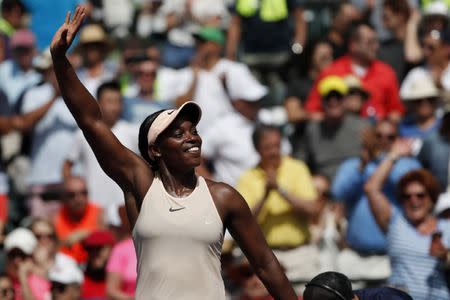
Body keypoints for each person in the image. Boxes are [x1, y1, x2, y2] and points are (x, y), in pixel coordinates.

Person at [49, 6, 297, 300]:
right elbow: (91, 120)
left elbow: (265, 264)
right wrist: (60, 60)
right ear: (155, 150)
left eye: (193, 130)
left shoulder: (223, 197)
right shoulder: (141, 185)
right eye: (178, 134)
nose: (192, 137)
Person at [332, 120, 421, 283]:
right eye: (378, 136)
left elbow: (408, 184)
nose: (383, 141)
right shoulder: (354, 164)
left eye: (390, 137)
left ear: (398, 139)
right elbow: (338, 192)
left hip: (390, 258)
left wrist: (386, 158)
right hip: (355, 258)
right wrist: (363, 164)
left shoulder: (408, 164)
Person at [237, 125, 321, 283]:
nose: (274, 152)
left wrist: (281, 190)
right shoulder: (247, 177)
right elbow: (243, 221)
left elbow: (312, 209)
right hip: (266, 257)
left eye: (277, 145)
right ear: (257, 149)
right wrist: (265, 195)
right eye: (268, 147)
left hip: (300, 254)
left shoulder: (297, 168)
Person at [365, 145, 450, 299]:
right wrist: (393, 155)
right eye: (407, 196)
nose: (414, 200)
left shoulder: (447, 227)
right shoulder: (395, 222)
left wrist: (445, 257)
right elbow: (372, 188)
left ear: (431, 198)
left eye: (420, 195)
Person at [63, 81, 139, 226]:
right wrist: (74, 193)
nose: (114, 107)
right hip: (93, 205)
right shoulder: (83, 134)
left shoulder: (133, 132)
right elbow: (67, 165)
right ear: (97, 103)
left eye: (118, 102)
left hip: (124, 204)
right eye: (109, 101)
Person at [305, 22, 403, 121]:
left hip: (376, 133)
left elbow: (396, 111)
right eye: (370, 42)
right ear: (353, 44)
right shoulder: (330, 72)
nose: (376, 47)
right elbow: (312, 111)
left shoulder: (387, 73)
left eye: (376, 42)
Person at [304, 75, 369, 180]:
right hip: (323, 186)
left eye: (338, 97)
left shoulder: (363, 127)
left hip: (355, 182)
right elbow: (303, 162)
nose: (333, 101)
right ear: (322, 101)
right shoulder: (312, 130)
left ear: (346, 100)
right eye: (328, 97)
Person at [54, 176, 105, 264]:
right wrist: (66, 242)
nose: (78, 199)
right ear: (64, 198)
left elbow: (108, 240)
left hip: (92, 266)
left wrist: (86, 234)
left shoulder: (99, 214)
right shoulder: (56, 218)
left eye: (83, 193)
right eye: (72, 195)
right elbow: (52, 248)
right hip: (65, 268)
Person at [81, 230, 115, 299]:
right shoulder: (78, 280)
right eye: (90, 249)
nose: (95, 253)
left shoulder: (122, 281)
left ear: (112, 249)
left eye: (100, 248)